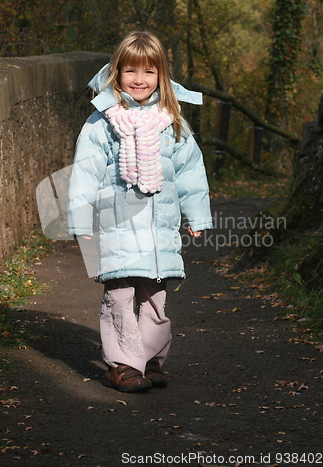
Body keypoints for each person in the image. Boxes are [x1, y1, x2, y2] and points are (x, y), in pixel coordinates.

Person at [68, 30, 213, 393]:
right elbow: (85, 171)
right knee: (119, 296)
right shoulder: (103, 122)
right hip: (117, 225)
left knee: (155, 298)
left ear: (161, 77)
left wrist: (196, 216)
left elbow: (191, 172)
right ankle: (122, 364)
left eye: (148, 72)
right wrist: (81, 219)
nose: (138, 80)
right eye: (130, 71)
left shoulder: (173, 122)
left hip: (159, 230)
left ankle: (149, 359)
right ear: (116, 74)